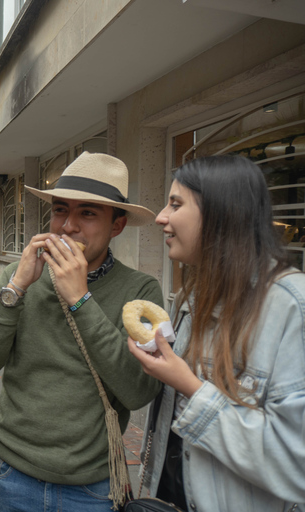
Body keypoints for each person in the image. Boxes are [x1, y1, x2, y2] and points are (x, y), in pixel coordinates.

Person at [0, 152, 164, 511]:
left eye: (87, 213)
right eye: (60, 210)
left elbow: (138, 392)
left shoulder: (141, 291)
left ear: (117, 226)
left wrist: (80, 299)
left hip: (90, 488)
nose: (67, 226)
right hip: (9, 473)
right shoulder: (18, 276)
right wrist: (16, 289)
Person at [129, 155, 305, 511]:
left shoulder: (290, 306)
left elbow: (295, 465)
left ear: (221, 213)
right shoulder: (193, 296)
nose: (161, 217)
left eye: (175, 204)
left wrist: (190, 387)